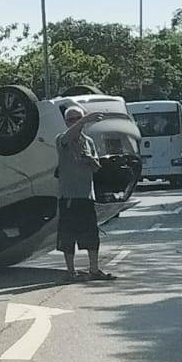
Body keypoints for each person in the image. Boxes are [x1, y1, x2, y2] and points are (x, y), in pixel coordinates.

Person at [55, 105, 115, 282]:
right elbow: (67, 138)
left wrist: (89, 160)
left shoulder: (88, 141)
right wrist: (84, 120)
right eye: (72, 120)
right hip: (68, 197)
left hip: (86, 196)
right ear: (66, 122)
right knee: (67, 236)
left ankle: (94, 269)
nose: (76, 122)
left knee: (91, 234)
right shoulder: (61, 139)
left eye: (78, 118)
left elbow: (97, 167)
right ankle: (70, 271)